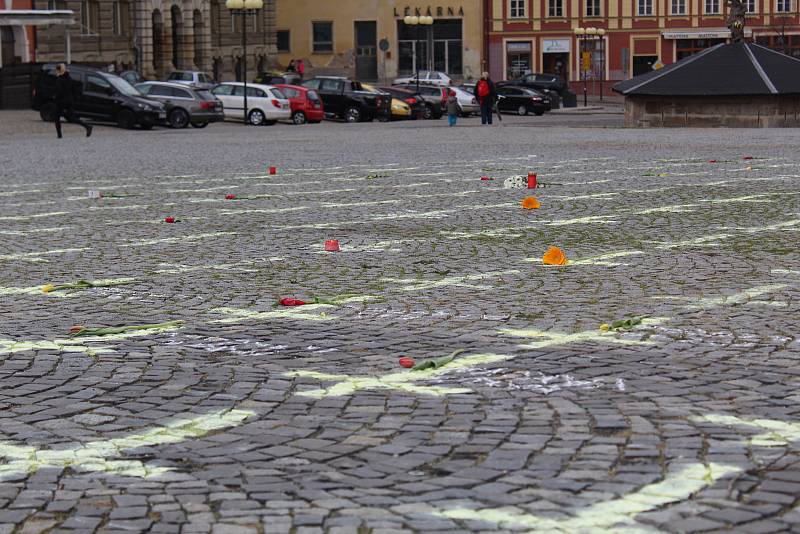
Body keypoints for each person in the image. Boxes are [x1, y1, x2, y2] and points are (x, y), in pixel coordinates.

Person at [53, 63, 92, 139]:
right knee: (72, 117)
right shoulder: (69, 78)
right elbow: (73, 89)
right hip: (69, 101)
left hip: (61, 102)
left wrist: (55, 97)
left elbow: (59, 91)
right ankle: (87, 126)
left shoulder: (59, 80)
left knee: (56, 117)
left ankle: (59, 135)